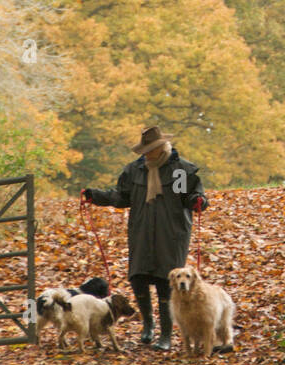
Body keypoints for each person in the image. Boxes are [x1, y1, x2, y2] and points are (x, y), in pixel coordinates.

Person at [82, 126, 207, 352]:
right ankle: (148, 325)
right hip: (141, 231)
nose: (146, 154)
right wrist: (96, 196)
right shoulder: (135, 171)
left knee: (165, 282)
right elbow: (121, 197)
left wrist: (198, 200)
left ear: (160, 148)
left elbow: (186, 197)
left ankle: (166, 335)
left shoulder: (179, 170)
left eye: (149, 150)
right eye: (144, 150)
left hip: (171, 233)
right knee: (138, 276)